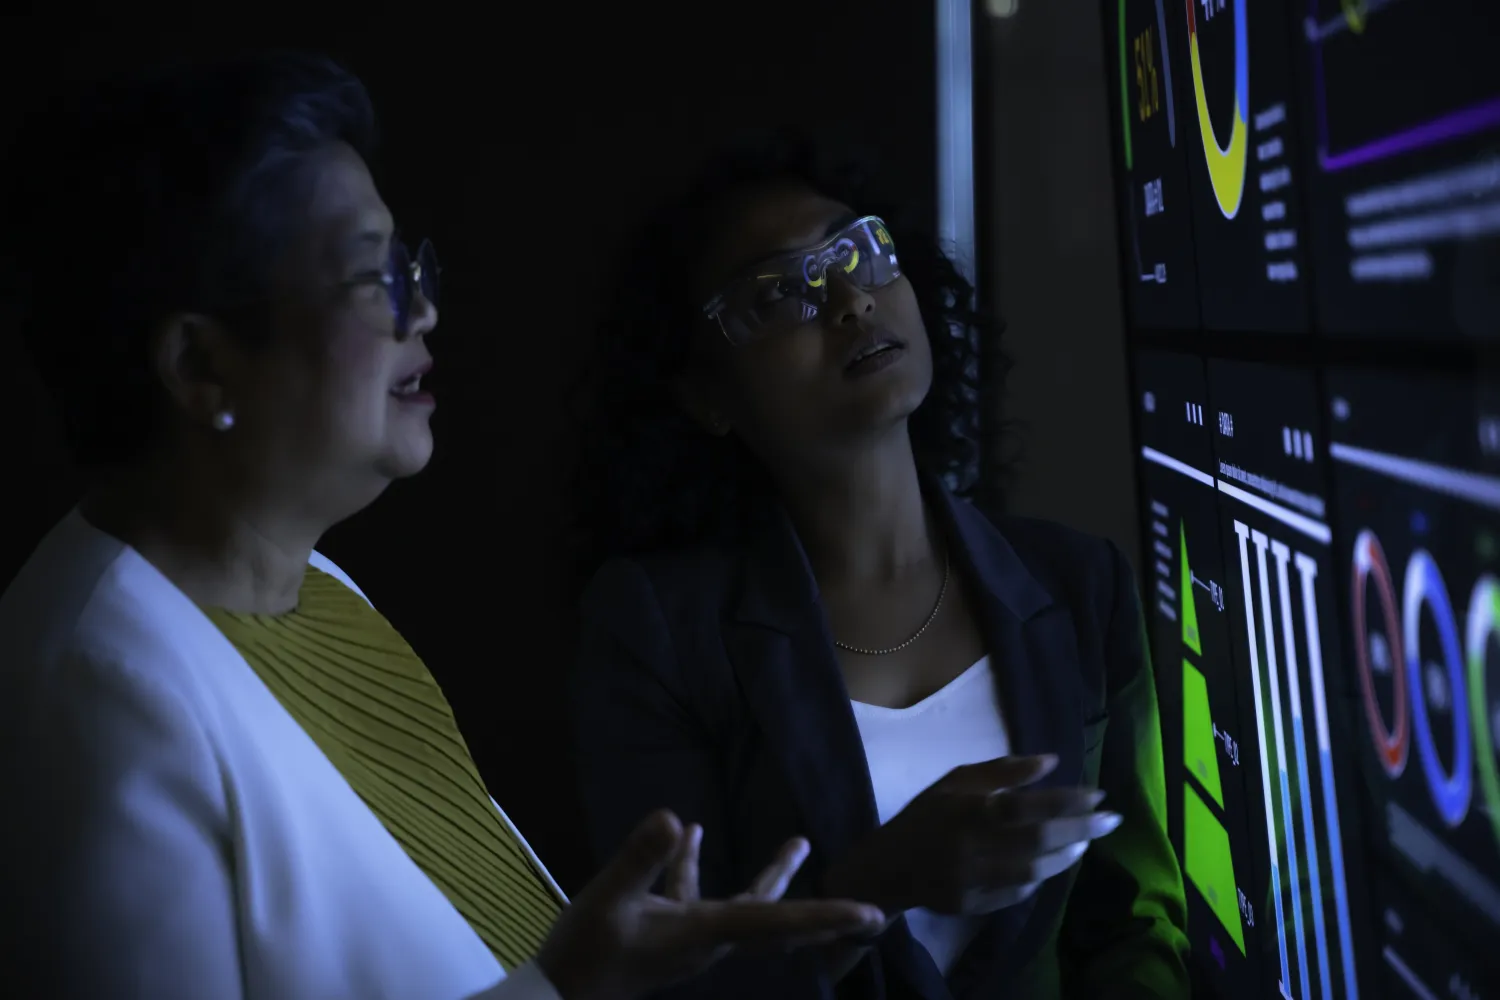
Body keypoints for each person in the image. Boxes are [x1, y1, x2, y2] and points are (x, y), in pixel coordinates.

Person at [0, 55, 886, 1000]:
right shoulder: (94, 691)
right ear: (199, 366)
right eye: (367, 276)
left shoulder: (317, 591)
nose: (420, 307)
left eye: (408, 266)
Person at [570, 135, 1192, 999]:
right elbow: (664, 977)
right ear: (705, 396)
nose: (850, 299)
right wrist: (878, 883)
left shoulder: (1081, 583)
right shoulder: (658, 631)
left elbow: (1133, 923)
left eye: (858, 250)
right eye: (781, 292)